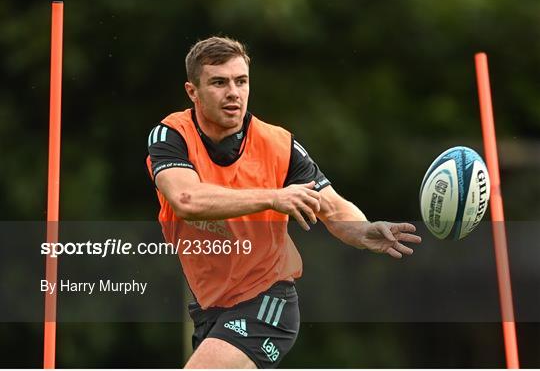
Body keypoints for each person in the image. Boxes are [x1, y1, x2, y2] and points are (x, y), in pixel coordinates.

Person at [146, 36, 421, 369]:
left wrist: (362, 230)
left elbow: (330, 207)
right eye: (219, 82)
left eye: (241, 81)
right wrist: (274, 197)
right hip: (209, 307)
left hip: (266, 300)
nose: (233, 92)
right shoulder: (171, 136)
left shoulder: (278, 144)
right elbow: (186, 199)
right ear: (193, 91)